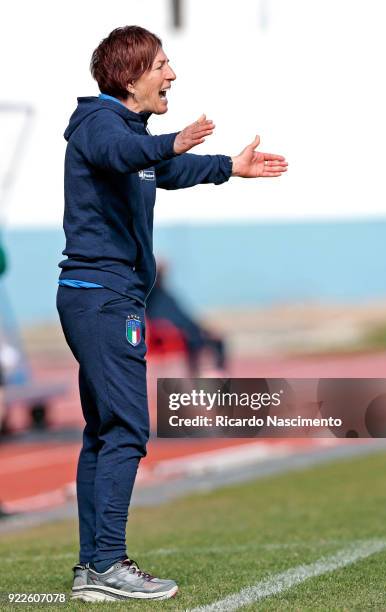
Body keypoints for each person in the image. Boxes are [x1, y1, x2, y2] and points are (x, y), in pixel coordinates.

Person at [57, 25, 288, 602]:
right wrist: (170, 142)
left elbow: (159, 169)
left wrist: (227, 167)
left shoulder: (128, 134)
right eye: (162, 63)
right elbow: (131, 153)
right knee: (129, 430)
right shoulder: (101, 127)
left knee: (105, 432)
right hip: (104, 299)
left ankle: (92, 569)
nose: (172, 73)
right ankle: (109, 562)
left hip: (101, 296)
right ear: (130, 76)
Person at [147, 261, 227, 375]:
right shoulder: (151, 296)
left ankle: (218, 371)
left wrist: (204, 329)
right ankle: (199, 373)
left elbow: (186, 317)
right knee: (194, 340)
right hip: (175, 331)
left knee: (217, 338)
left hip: (189, 328)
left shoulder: (168, 295)